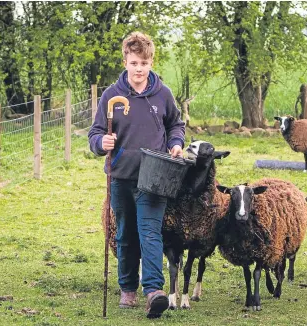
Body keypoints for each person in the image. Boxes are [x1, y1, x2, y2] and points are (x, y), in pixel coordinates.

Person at [88, 31, 185, 319]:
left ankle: (154, 291)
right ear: (125, 62)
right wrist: (100, 143)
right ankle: (127, 287)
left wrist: (176, 144)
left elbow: (176, 125)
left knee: (150, 232)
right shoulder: (111, 96)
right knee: (125, 234)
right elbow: (95, 132)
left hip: (155, 175)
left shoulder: (163, 94)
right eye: (134, 63)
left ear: (151, 62)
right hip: (120, 175)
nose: (139, 68)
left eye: (144, 62)